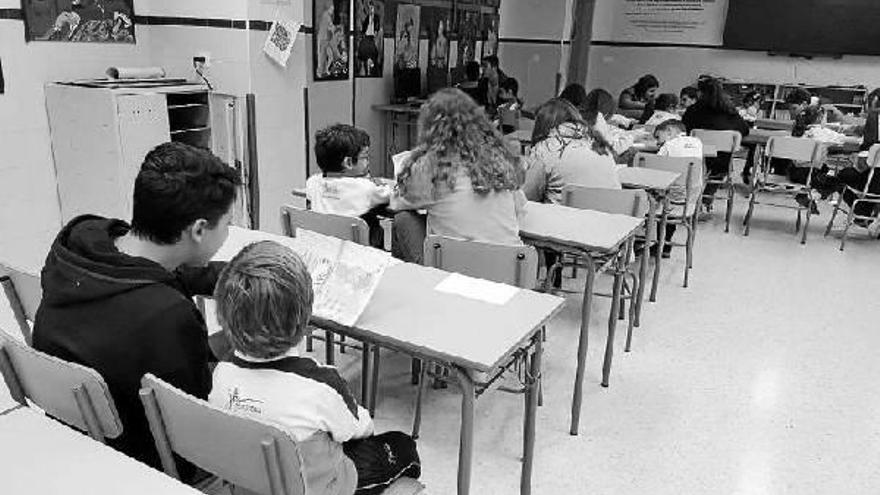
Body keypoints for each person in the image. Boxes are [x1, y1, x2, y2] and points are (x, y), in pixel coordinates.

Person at [33, 142, 241, 474]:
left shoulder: (80, 244)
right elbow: (198, 421)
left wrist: (231, 274)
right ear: (199, 229)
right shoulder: (166, 315)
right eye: (227, 223)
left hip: (76, 431)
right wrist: (237, 341)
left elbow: (153, 275)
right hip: (143, 460)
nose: (229, 232)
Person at [210, 241, 421, 495]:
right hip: (320, 487)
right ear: (305, 317)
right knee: (402, 445)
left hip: (252, 482)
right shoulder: (321, 384)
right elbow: (360, 428)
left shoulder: (221, 372)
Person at [391, 88, 526, 264]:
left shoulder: (432, 166)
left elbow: (398, 202)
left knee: (403, 220)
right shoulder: (498, 160)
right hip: (508, 271)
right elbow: (520, 207)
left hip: (451, 272)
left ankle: (403, 282)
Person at [306, 124, 392, 249]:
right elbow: (390, 194)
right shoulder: (366, 188)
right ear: (348, 162)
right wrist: (377, 183)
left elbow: (326, 188)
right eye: (365, 157)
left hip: (325, 250)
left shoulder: (313, 182)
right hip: (360, 255)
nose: (368, 162)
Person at [522, 98, 621, 205]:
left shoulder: (545, 148)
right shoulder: (599, 144)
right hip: (610, 217)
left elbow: (526, 197)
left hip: (564, 218)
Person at [682, 77, 750, 210]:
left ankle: (693, 199)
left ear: (700, 93)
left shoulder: (693, 110)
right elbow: (745, 130)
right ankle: (707, 197)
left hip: (696, 160)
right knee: (721, 165)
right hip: (721, 163)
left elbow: (684, 129)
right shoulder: (730, 111)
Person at [654, 119, 704, 257]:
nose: (658, 142)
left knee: (657, 192)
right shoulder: (697, 142)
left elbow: (653, 168)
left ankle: (644, 242)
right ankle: (665, 244)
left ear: (669, 131)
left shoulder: (668, 146)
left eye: (658, 137)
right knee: (671, 193)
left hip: (668, 199)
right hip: (691, 197)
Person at [582, 88, 637, 160]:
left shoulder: (585, 115)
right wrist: (632, 137)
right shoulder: (597, 119)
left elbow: (608, 127)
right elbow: (612, 149)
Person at [357, 1, 381, 76]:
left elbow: (377, 28)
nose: (371, 10)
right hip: (366, 37)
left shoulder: (376, 18)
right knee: (363, 54)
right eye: (370, 8)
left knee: (372, 55)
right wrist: (362, 33)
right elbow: (364, 27)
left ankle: (371, 71)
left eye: (372, 8)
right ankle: (364, 70)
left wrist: (376, 33)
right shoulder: (367, 18)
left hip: (372, 38)